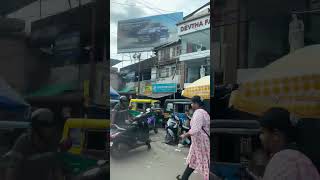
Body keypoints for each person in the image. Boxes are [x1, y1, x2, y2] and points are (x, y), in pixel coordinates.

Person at [247, 108, 320, 180]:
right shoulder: (301, 158)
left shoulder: (282, 161)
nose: (260, 137)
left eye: (262, 132)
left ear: (276, 135)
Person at [3, 108, 63, 180]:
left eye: (51, 126)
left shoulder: (51, 143)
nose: (51, 129)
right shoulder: (24, 142)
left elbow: (57, 170)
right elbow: (11, 172)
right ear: (37, 127)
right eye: (47, 126)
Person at [176, 96, 210, 180]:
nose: (191, 105)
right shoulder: (203, 112)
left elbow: (195, 129)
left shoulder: (198, 112)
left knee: (205, 164)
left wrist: (185, 135)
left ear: (196, 104)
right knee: (192, 161)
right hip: (197, 142)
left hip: (201, 142)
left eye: (192, 103)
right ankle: (184, 178)